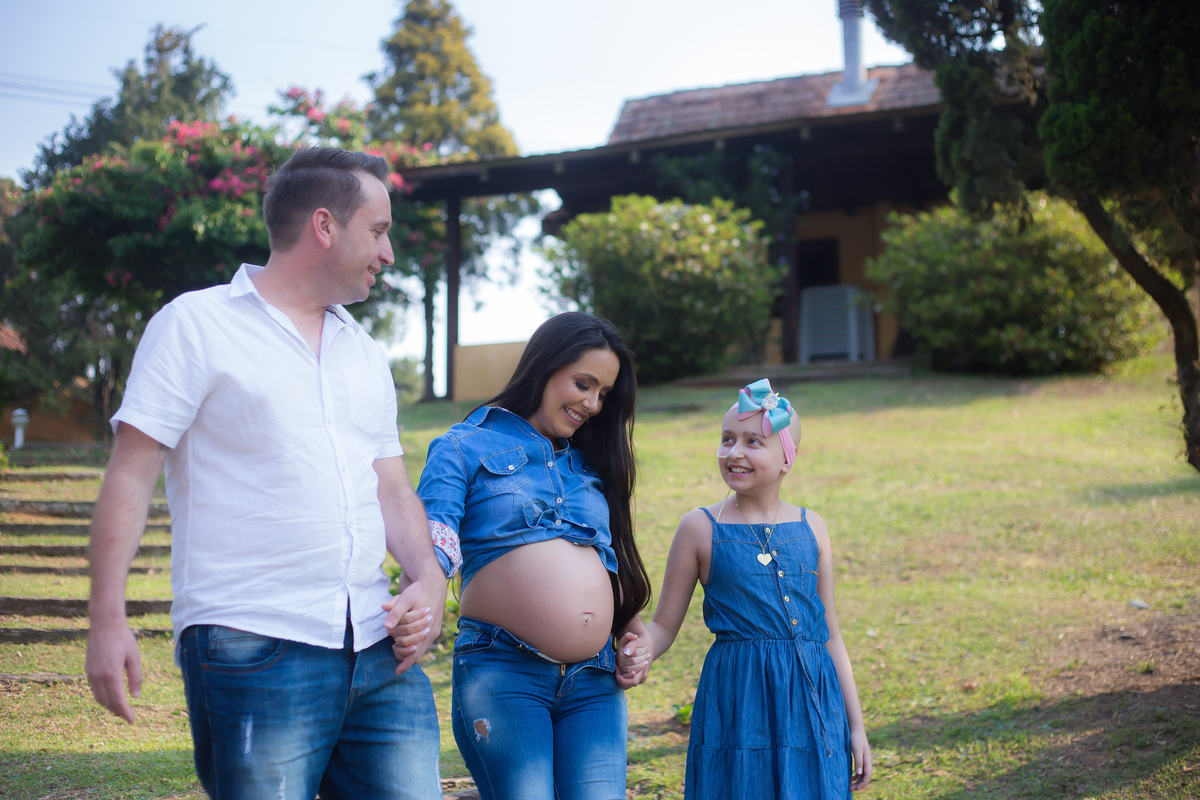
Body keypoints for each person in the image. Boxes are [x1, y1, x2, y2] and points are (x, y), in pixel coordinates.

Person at [85, 147, 447, 800]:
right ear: (325, 226)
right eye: (380, 230)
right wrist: (107, 618)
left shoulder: (363, 353)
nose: (388, 254)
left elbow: (390, 486)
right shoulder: (195, 326)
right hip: (253, 649)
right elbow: (130, 477)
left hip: (378, 650)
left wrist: (429, 577)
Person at [411, 311, 651, 800]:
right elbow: (434, 535)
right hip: (505, 674)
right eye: (582, 383)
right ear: (545, 366)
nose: (591, 403)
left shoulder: (589, 465)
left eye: (603, 393)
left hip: (595, 683)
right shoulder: (462, 446)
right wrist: (422, 590)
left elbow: (604, 558)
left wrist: (631, 626)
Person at [617, 379, 872, 799]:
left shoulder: (813, 527)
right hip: (739, 698)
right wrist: (640, 650)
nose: (734, 452)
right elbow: (663, 625)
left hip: (813, 702)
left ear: (787, 458)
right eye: (727, 439)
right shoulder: (699, 527)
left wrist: (856, 727)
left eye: (753, 442)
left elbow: (832, 634)